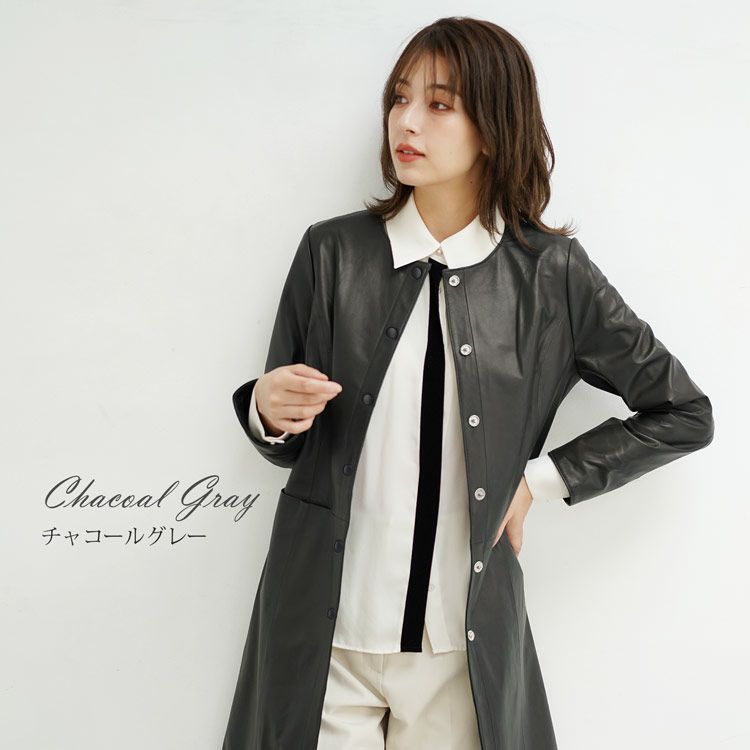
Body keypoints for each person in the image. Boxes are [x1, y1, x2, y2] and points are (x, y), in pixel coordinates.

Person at [223, 17, 714, 750]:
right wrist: (266, 409)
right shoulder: (332, 254)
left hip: (458, 649)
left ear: (493, 125)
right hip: (326, 642)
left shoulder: (551, 275)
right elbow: (289, 445)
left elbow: (682, 412)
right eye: (400, 98)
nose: (406, 122)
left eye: (439, 104)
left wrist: (539, 482)